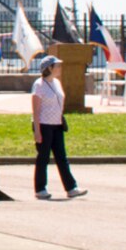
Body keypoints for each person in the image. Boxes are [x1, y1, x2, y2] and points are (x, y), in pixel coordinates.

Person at [30, 55, 87, 199]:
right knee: (43, 157)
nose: (60, 68)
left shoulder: (56, 83)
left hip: (57, 124)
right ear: (49, 68)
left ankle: (71, 187)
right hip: (44, 125)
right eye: (57, 66)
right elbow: (36, 110)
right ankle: (40, 189)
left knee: (62, 157)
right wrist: (37, 131)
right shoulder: (39, 85)